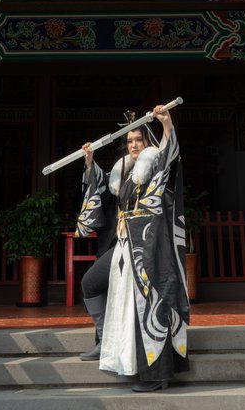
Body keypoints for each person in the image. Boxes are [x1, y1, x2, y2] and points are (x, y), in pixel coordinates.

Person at [75, 105, 190, 392]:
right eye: (129, 141)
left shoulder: (156, 165)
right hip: (125, 246)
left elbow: (170, 158)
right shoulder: (124, 173)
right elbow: (102, 191)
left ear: (148, 141)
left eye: (139, 139)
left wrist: (166, 125)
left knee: (149, 308)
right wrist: (89, 162)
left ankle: (156, 376)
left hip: (151, 248)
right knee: (92, 283)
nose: (134, 145)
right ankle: (104, 340)